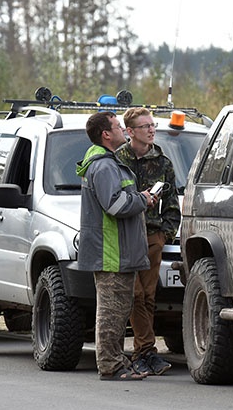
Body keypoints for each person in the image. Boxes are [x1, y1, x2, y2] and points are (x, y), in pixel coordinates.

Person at [76, 111, 155, 381]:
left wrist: (139, 198)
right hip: (112, 253)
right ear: (106, 134)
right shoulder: (104, 167)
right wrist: (143, 199)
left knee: (118, 311)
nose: (123, 130)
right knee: (111, 313)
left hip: (117, 252)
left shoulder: (107, 163)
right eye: (118, 126)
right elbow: (115, 205)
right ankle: (111, 366)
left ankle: (117, 362)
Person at [115, 107, 179, 376]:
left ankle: (143, 353)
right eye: (145, 126)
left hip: (152, 235)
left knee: (148, 297)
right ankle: (146, 351)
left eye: (153, 125)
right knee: (135, 295)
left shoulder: (162, 162)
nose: (151, 130)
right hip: (125, 235)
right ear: (130, 131)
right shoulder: (117, 160)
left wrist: (165, 234)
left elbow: (172, 204)